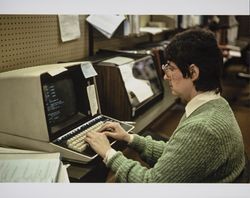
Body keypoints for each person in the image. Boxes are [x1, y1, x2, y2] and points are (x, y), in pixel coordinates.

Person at [85, 28, 245, 183]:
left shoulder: (202, 128)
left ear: (193, 73)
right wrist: (129, 138)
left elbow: (150, 183)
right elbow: (178, 156)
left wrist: (108, 153)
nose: (165, 75)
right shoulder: (215, 104)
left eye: (171, 68)